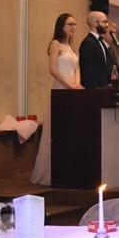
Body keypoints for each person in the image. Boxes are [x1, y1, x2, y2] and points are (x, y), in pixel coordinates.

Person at [31, 13, 83, 185]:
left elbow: (77, 69)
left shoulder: (71, 47)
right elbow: (53, 69)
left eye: (75, 24)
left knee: (70, 130)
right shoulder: (56, 44)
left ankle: (69, 170)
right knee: (58, 130)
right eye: (70, 24)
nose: (73, 27)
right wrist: (70, 85)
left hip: (72, 89)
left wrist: (77, 84)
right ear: (61, 26)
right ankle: (52, 172)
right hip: (61, 88)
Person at [78, 11, 114, 89]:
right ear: (95, 23)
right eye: (104, 22)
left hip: (104, 89)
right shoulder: (88, 43)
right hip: (95, 91)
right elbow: (88, 72)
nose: (107, 25)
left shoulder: (101, 42)